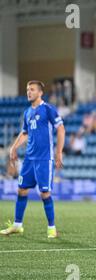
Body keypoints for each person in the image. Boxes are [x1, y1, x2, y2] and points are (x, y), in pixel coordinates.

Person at [1, 80, 65, 238]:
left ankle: (52, 228)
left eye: (32, 89)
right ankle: (17, 225)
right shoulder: (28, 112)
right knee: (21, 190)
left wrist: (59, 153)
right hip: (29, 159)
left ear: (40, 92)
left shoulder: (48, 109)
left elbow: (61, 129)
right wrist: (14, 147)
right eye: (27, 89)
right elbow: (25, 133)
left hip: (44, 159)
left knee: (45, 193)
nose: (29, 92)